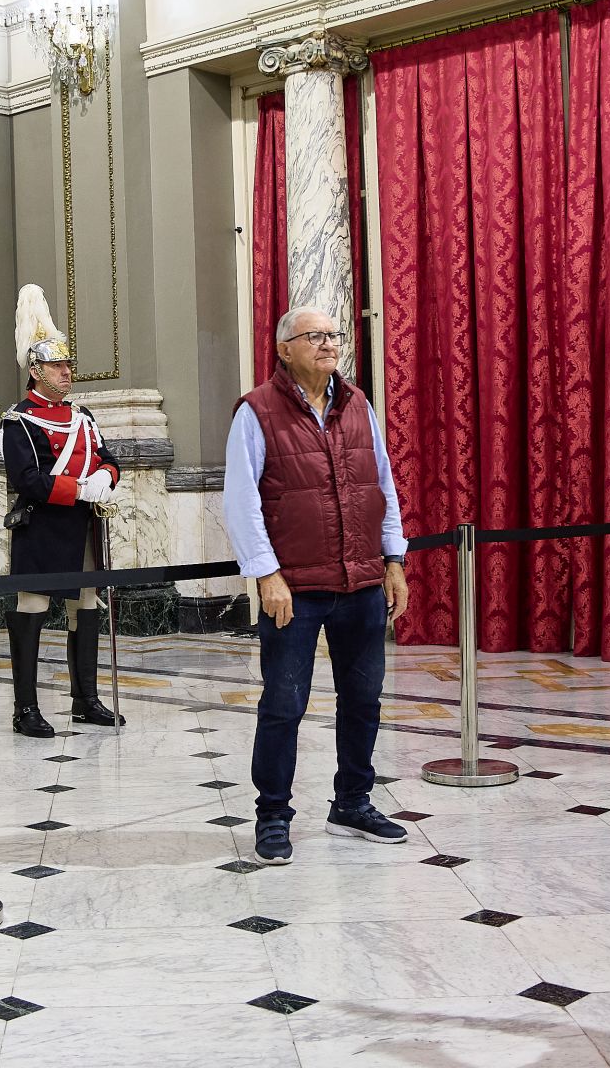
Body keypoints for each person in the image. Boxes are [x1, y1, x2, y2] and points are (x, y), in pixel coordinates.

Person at [225, 305, 411, 866]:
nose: (330, 344)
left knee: (364, 700)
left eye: (334, 335)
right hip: (295, 589)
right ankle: (273, 816)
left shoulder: (358, 405)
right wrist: (266, 574)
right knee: (284, 704)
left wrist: (394, 559)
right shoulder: (256, 412)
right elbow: (241, 501)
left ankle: (353, 801)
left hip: (360, 581)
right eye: (316, 336)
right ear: (284, 348)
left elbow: (383, 484)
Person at [0, 284, 125, 738]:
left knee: (85, 606)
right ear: (35, 370)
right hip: (44, 528)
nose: (67, 372)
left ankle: (85, 700)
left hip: (84, 527)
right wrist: (79, 489)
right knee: (32, 609)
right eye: (57, 365)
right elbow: (27, 479)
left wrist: (106, 478)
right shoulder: (18, 420)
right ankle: (25, 708)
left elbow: (109, 458)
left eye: (68, 364)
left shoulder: (83, 417)